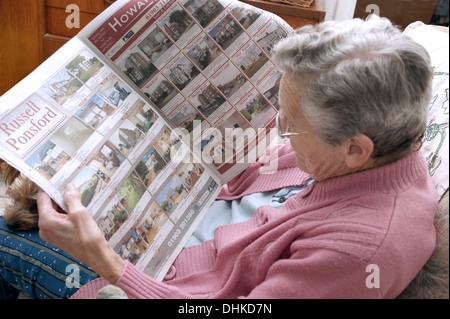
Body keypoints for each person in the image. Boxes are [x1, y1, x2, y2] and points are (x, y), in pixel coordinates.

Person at [0, 15, 438, 299]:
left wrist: (104, 261)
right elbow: (269, 168)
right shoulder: (389, 144)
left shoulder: (361, 254)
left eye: (290, 127)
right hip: (191, 232)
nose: (281, 136)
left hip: (159, 285)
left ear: (355, 149)